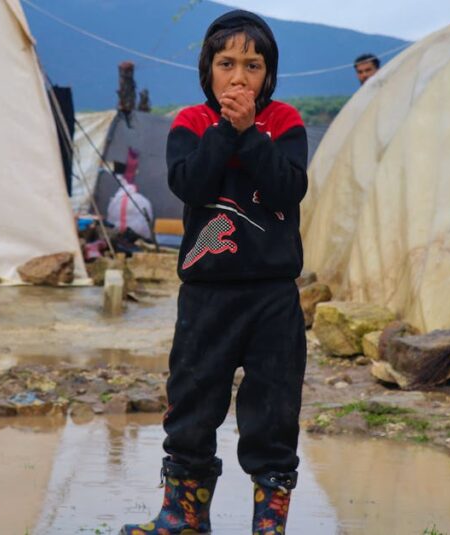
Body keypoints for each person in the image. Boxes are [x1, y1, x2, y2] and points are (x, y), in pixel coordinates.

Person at [119, 9, 308, 535]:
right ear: (209, 70)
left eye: (253, 64)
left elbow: (286, 190)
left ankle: (269, 525)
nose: (240, 76)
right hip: (206, 295)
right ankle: (184, 517)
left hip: (273, 295)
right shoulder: (191, 123)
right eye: (227, 63)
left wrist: (251, 134)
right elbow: (193, 186)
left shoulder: (286, 123)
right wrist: (227, 130)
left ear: (269, 74)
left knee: (273, 409)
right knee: (193, 401)